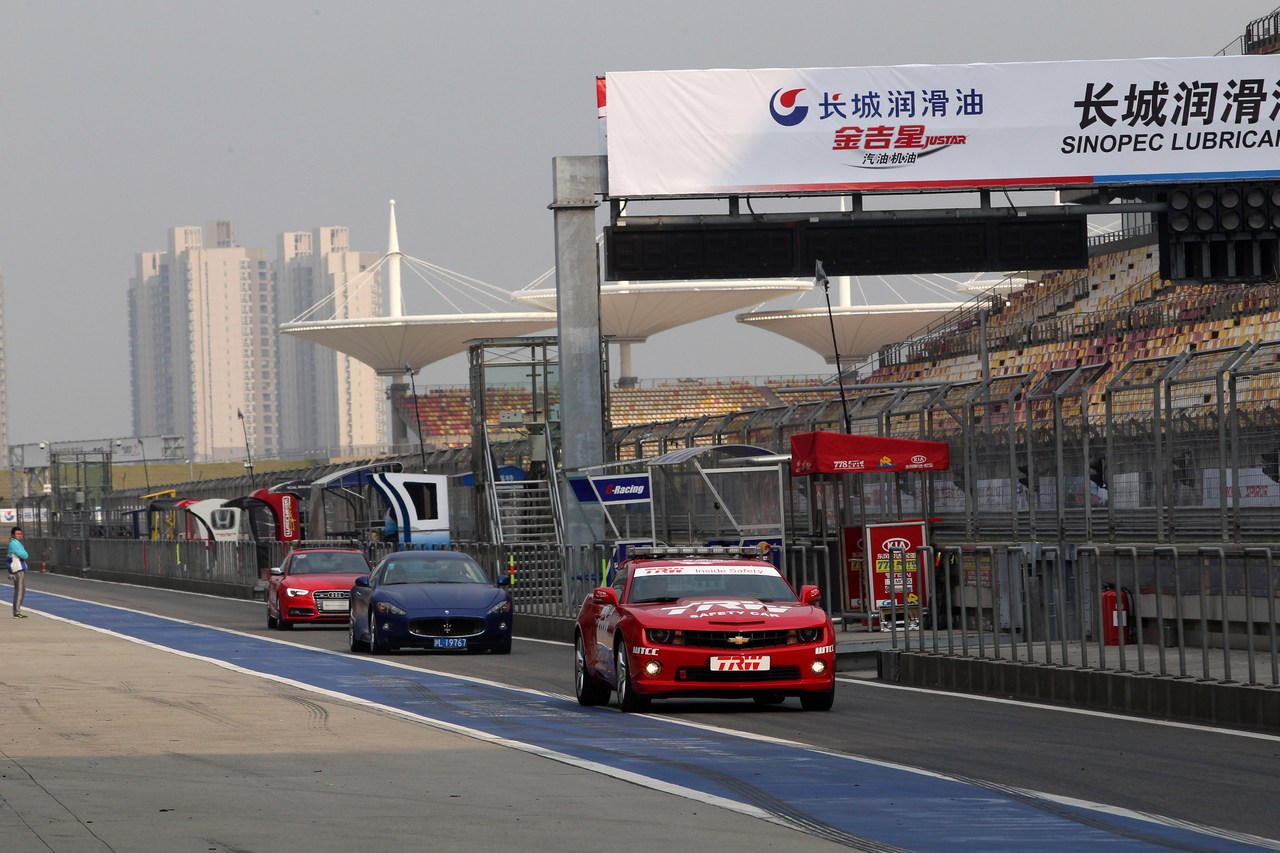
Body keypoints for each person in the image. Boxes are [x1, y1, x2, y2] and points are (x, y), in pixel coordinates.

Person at [8, 525, 28, 618]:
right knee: (19, 591)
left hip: (20, 568)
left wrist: (23, 554)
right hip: (17, 569)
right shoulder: (14, 544)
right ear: (13, 535)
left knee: (22, 590)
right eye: (18, 534)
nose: (20, 535)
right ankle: (16, 612)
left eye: (21, 534)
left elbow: (24, 554)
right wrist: (23, 554)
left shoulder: (18, 543)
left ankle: (17, 610)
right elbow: (24, 555)